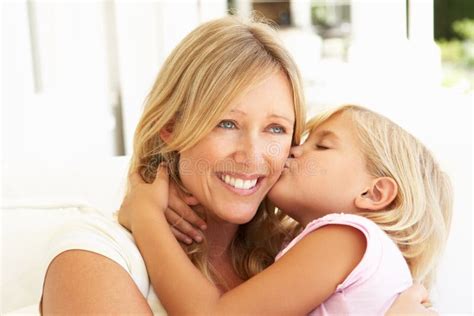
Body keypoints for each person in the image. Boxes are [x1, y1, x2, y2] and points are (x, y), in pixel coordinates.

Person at [41, 15, 432, 314]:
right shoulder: (96, 254)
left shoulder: (295, 251)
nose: (253, 155)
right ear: (171, 128)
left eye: (277, 129)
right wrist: (146, 215)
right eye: (227, 123)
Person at [118, 105, 452, 315]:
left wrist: (146, 214)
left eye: (321, 145)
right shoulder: (365, 256)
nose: (293, 149)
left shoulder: (345, 237)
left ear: (374, 192)